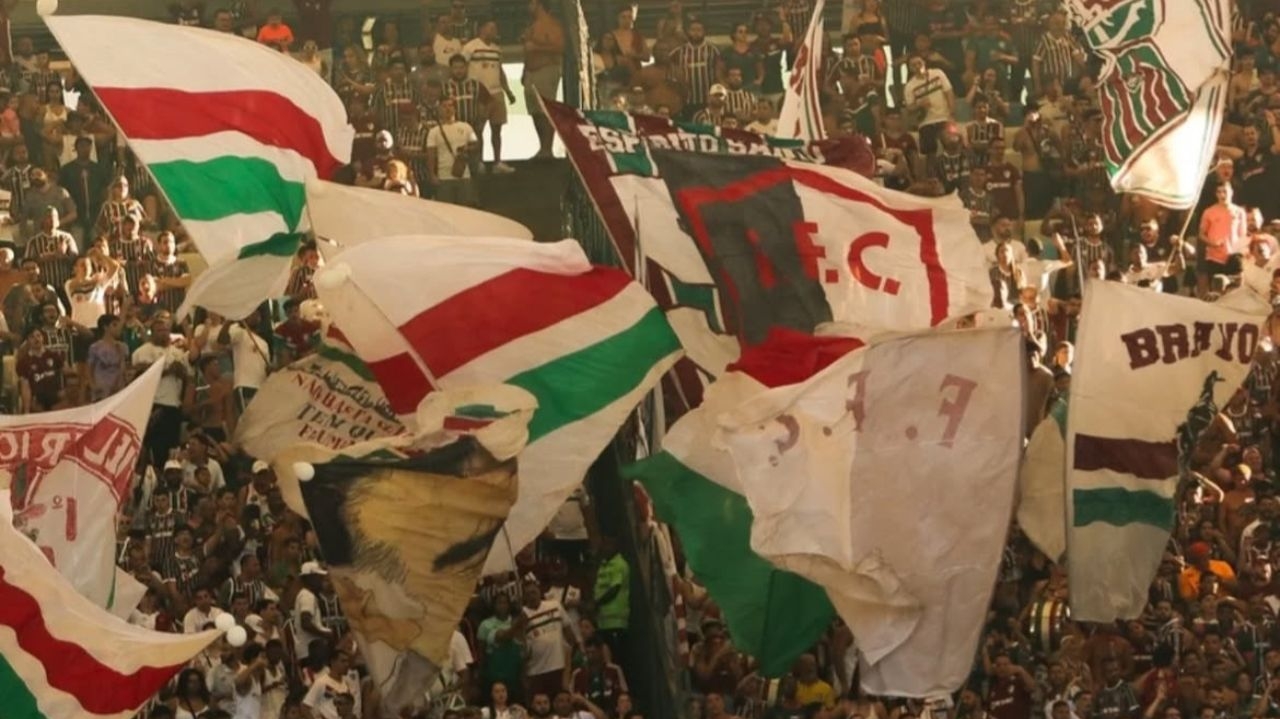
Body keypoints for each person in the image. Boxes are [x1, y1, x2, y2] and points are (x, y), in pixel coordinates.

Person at [132, 316, 189, 469]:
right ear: (152, 333)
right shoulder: (144, 351)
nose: (163, 333)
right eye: (159, 330)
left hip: (174, 404)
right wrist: (167, 369)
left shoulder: (178, 353)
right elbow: (141, 371)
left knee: (172, 446)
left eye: (166, 330)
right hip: (155, 403)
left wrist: (180, 371)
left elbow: (187, 376)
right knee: (155, 445)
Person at [523, 0, 565, 159]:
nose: (528, 6)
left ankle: (548, 148)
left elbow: (560, 46)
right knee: (535, 111)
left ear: (539, 4)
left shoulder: (552, 24)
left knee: (545, 109)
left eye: (531, 3)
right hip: (531, 72)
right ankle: (543, 147)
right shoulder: (533, 25)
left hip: (546, 69)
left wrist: (537, 46)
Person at [427, 97, 479, 207]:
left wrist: (466, 148)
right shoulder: (434, 131)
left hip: (464, 175)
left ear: (455, 109)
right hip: (444, 177)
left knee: (466, 209)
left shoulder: (466, 127)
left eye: (450, 105)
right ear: (439, 109)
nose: (448, 109)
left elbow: (476, 144)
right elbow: (431, 154)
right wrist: (432, 174)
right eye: (444, 106)